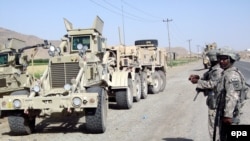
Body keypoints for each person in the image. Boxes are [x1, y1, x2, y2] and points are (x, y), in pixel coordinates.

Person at [188, 49, 223, 141]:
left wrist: (198, 82)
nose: (207, 60)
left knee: (214, 127)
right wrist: (198, 78)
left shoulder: (217, 70)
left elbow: (213, 84)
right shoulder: (214, 69)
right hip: (214, 101)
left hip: (216, 102)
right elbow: (207, 79)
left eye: (208, 58)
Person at [215, 48, 248, 141]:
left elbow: (232, 96)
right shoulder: (226, 72)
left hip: (230, 115)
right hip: (225, 113)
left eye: (224, 59)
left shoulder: (231, 75)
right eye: (220, 59)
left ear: (231, 59)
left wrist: (228, 115)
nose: (221, 61)